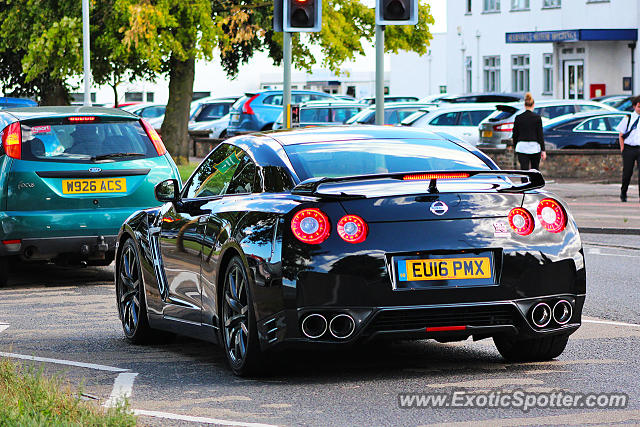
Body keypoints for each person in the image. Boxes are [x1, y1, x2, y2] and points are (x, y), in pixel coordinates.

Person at [512, 92, 546, 170]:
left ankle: (524, 182)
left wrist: (515, 146)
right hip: (535, 147)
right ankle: (534, 182)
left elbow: (515, 134)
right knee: (535, 170)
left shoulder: (518, 118)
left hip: (522, 147)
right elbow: (540, 135)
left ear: (524, 105)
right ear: (533, 105)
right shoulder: (537, 118)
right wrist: (543, 150)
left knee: (524, 170)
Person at [616, 95, 640, 202]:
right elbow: (621, 135)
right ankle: (623, 192)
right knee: (627, 173)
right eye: (639, 106)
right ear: (634, 106)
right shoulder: (628, 118)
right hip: (629, 149)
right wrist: (623, 149)